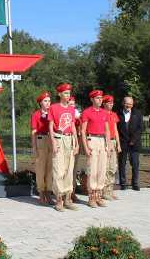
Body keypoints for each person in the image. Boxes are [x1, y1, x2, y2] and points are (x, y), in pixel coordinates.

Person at [48, 83, 79, 211]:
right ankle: (59, 199)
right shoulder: (54, 108)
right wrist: (53, 142)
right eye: (65, 93)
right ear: (59, 94)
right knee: (58, 169)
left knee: (68, 169)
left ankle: (68, 198)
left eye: (69, 93)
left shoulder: (72, 109)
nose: (68, 95)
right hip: (59, 138)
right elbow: (50, 126)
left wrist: (76, 143)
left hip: (69, 139)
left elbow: (72, 126)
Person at [80, 89, 110, 208]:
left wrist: (108, 145)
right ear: (92, 99)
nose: (100, 100)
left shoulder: (104, 113)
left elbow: (107, 130)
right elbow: (82, 131)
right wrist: (86, 147)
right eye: (97, 98)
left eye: (101, 98)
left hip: (102, 141)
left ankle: (98, 195)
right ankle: (91, 196)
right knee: (92, 169)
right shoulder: (87, 112)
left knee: (102, 169)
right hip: (92, 139)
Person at [31, 91, 53, 204]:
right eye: (45, 101)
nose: (48, 103)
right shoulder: (36, 114)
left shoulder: (52, 112)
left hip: (52, 139)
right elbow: (34, 132)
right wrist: (34, 147)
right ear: (40, 103)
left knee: (50, 168)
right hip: (41, 140)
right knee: (41, 168)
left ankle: (49, 191)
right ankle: (41, 193)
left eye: (49, 101)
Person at [117, 96, 143, 191]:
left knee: (135, 164)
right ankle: (123, 183)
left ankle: (135, 183)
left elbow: (140, 129)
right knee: (122, 164)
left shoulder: (138, 114)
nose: (129, 106)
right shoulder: (118, 114)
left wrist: (133, 140)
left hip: (134, 143)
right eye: (127, 104)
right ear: (123, 103)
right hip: (122, 143)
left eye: (131, 104)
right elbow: (116, 129)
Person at [102, 95, 121, 200]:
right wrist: (107, 144)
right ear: (104, 103)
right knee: (105, 167)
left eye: (112, 103)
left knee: (113, 167)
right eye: (109, 103)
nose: (111, 104)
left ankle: (110, 190)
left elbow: (115, 129)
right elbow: (105, 130)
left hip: (113, 141)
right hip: (106, 141)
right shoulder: (102, 113)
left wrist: (118, 143)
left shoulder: (113, 114)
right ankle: (104, 191)